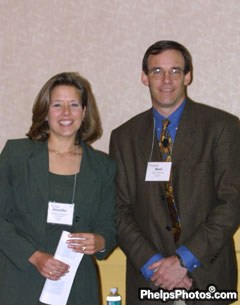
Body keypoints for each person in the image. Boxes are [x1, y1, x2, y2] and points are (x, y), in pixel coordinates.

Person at [109, 40, 240, 305]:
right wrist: (154, 264)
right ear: (144, 78)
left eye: (175, 71)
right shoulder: (123, 137)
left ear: (188, 76)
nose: (166, 80)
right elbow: (117, 209)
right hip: (148, 281)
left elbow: (232, 202)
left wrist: (183, 261)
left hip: (207, 277)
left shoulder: (222, 128)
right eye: (157, 71)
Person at [0, 72, 116, 305]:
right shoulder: (16, 156)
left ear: (84, 113)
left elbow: (110, 225)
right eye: (57, 105)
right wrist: (34, 256)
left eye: (73, 105)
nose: (65, 113)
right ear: (45, 112)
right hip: (20, 282)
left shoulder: (103, 166)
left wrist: (100, 241)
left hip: (76, 286)